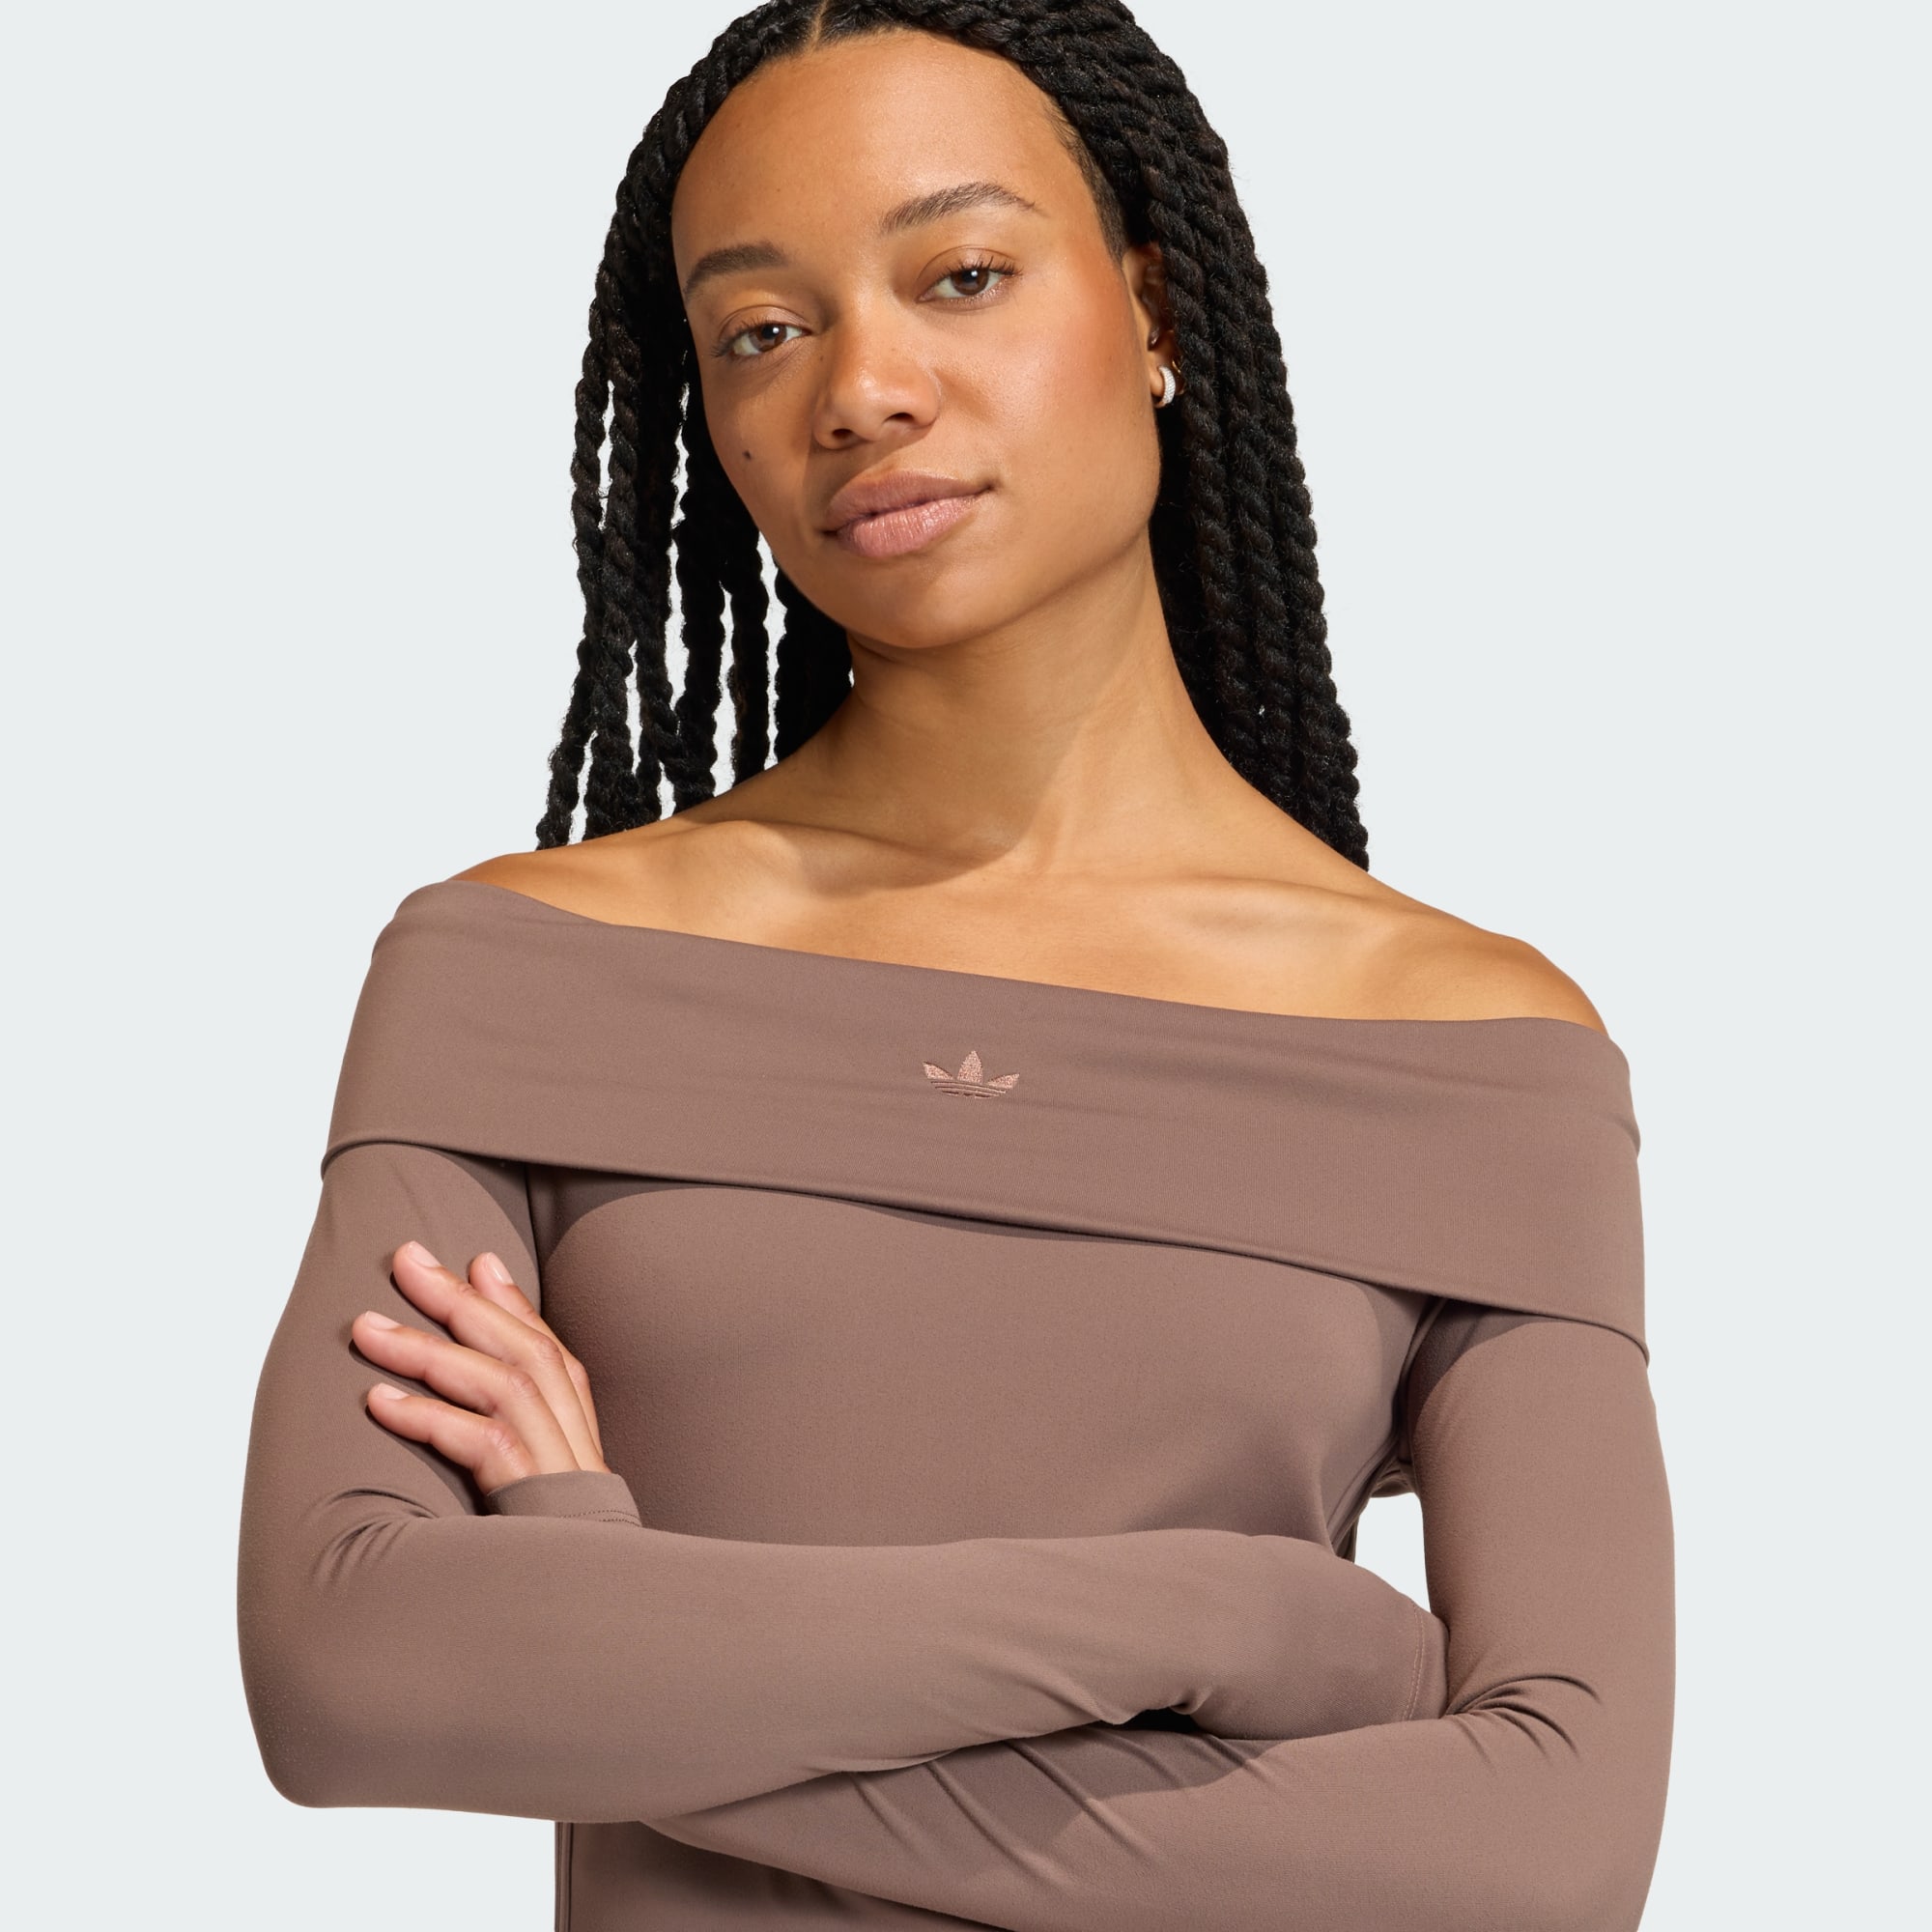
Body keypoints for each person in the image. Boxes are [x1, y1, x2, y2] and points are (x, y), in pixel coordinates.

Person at [236, 3, 1676, 1925]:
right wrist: (1233, 1617)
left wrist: (605, 1632)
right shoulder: (523, 975)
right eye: (763, 329)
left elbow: (1542, 1858)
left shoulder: (1472, 1052)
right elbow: (351, 1675)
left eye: (963, 276)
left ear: (1153, 309)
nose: (861, 389)